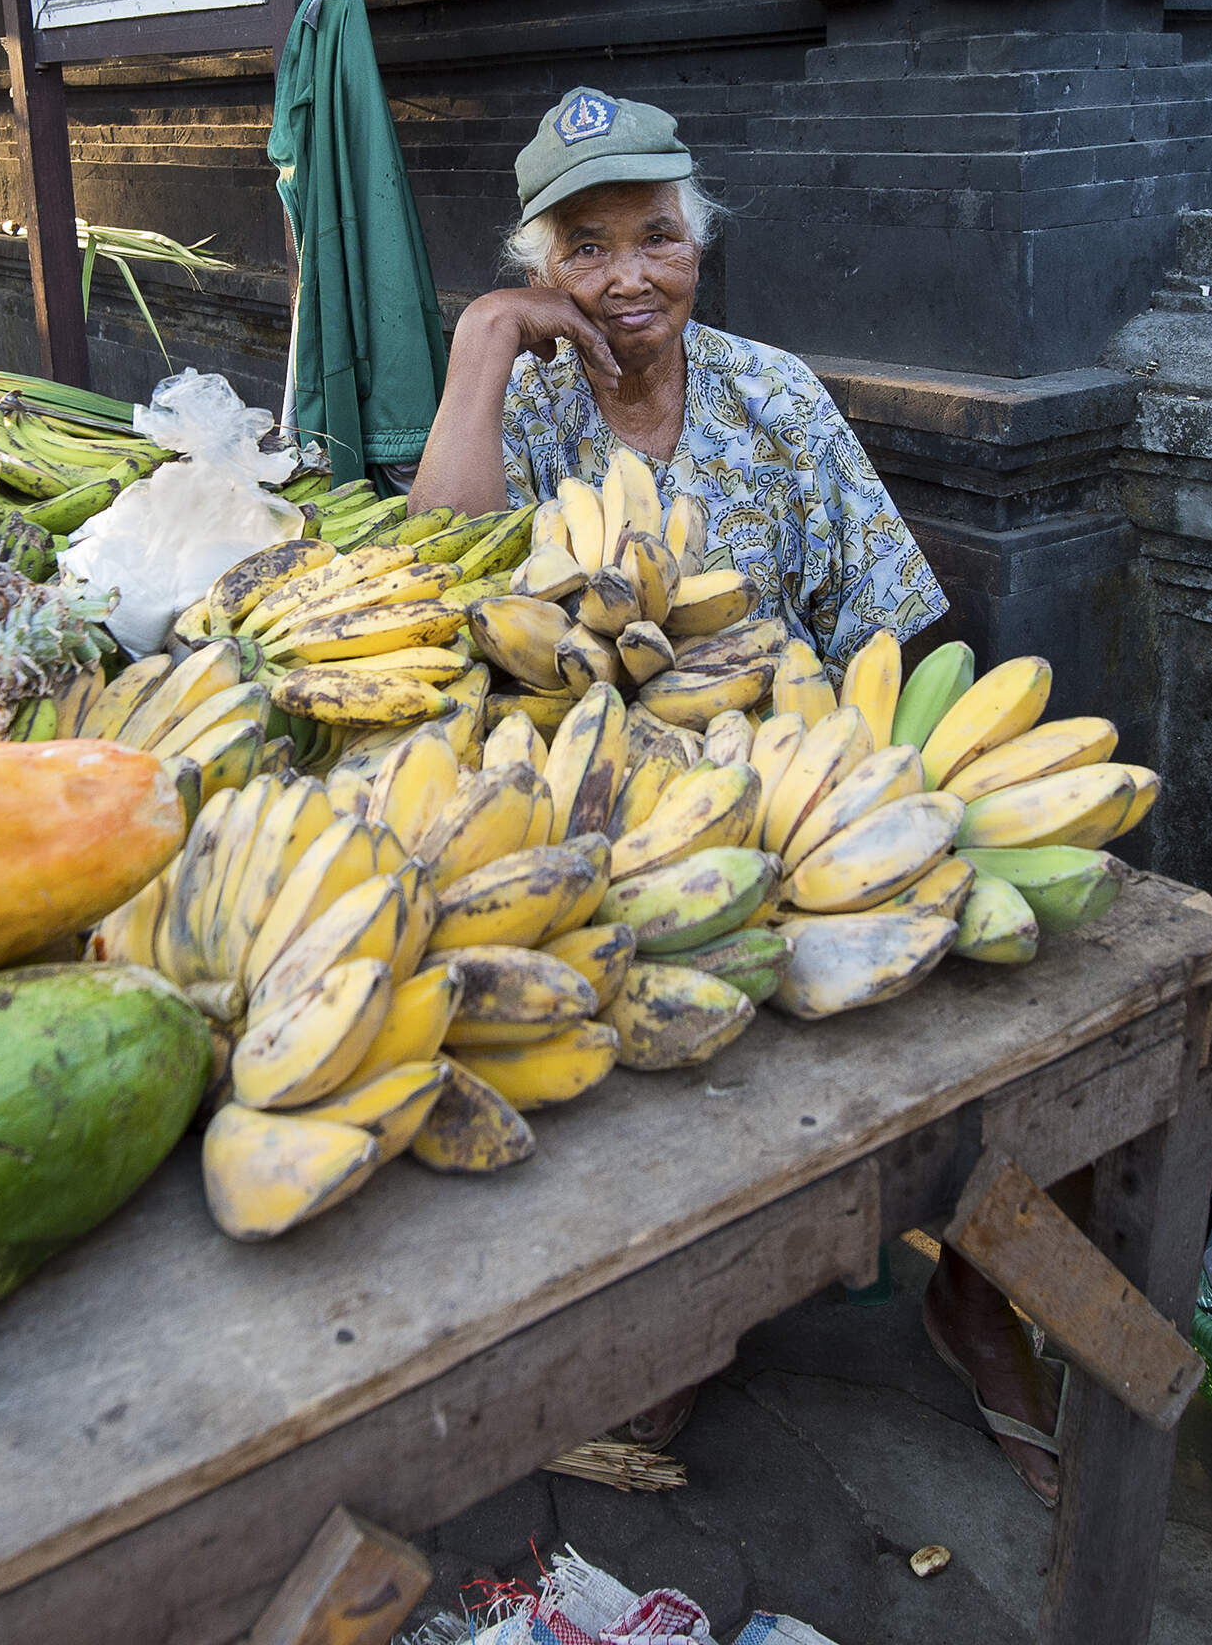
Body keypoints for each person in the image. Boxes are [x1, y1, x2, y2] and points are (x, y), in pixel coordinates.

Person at [408, 90, 1066, 1504]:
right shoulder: (525, 408)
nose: (626, 276)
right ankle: (677, 1317)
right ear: (543, 269)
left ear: (699, 242)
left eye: (656, 235)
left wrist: (887, 796)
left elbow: (891, 635)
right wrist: (480, 348)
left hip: (794, 802)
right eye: (585, 249)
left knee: (1004, 979)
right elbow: (438, 591)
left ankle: (971, 1294)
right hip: (597, 823)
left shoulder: (777, 397)